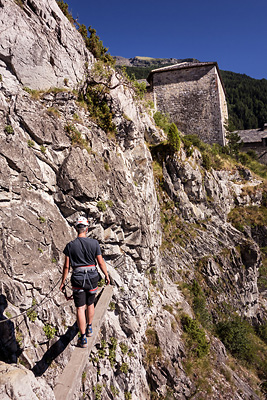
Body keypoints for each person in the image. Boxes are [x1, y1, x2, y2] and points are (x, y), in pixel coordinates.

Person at [60, 216, 110, 348]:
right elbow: (100, 262)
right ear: (86, 229)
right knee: (90, 303)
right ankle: (89, 327)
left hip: (78, 279)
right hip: (92, 277)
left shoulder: (70, 246)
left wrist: (63, 282)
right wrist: (106, 275)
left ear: (76, 229)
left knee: (80, 308)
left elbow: (66, 266)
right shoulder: (94, 244)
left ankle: (82, 339)